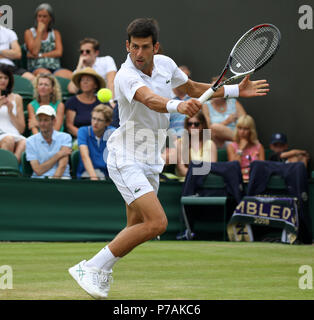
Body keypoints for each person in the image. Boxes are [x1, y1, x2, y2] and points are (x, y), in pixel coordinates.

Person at [68, 17, 269, 299]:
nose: (139, 53)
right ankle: (90, 267)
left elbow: (195, 88)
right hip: (125, 156)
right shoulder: (127, 75)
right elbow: (150, 99)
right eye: (134, 47)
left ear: (155, 47)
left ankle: (101, 269)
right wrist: (177, 106)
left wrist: (236, 90)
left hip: (151, 159)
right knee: (157, 223)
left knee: (136, 227)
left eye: (145, 47)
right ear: (127, 46)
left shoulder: (165, 64)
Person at [24, 3, 72, 79]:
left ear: (50, 18)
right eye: (39, 16)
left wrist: (40, 55)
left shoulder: (55, 33)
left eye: (45, 16)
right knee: (47, 76)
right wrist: (39, 32)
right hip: (37, 67)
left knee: (69, 75)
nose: (42, 19)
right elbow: (34, 51)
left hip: (55, 67)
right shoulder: (29, 33)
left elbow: (59, 52)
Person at [25, 105, 72, 179]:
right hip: (40, 180)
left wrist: (52, 183)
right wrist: (59, 154)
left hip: (61, 179)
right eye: (40, 120)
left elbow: (62, 166)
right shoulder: (30, 141)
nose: (42, 123)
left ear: (54, 121)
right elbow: (38, 170)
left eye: (46, 120)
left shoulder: (65, 137)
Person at [67, 38, 117, 104]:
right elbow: (72, 90)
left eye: (87, 51)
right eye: (81, 51)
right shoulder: (78, 70)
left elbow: (111, 82)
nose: (84, 54)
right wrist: (79, 66)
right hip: (93, 104)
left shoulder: (107, 60)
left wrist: (111, 101)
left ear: (96, 53)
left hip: (112, 100)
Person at [203, 77, 246, 148]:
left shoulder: (233, 102)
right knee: (214, 128)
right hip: (217, 142)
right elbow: (208, 129)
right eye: (213, 88)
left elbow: (246, 122)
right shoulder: (206, 105)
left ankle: (239, 143)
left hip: (233, 139)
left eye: (218, 88)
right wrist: (226, 121)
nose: (214, 91)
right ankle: (241, 142)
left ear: (225, 90)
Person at [65, 67, 106, 139]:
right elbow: (69, 126)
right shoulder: (72, 101)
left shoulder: (102, 102)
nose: (84, 82)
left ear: (95, 85)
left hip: (100, 138)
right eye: (82, 80)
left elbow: (108, 122)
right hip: (79, 138)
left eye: (88, 80)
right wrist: (86, 136)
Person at [77, 104, 115, 180]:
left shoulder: (113, 133)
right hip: (87, 174)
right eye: (93, 118)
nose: (95, 122)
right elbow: (85, 156)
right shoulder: (83, 131)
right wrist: (94, 177)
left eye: (99, 120)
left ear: (107, 123)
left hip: (108, 175)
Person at [176, 110, 217, 178]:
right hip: (186, 183)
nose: (192, 126)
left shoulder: (211, 144)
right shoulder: (180, 143)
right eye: (189, 124)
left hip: (205, 183)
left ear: (203, 125)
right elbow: (182, 170)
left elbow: (213, 168)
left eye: (196, 124)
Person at [227, 114, 265, 182]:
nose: (242, 132)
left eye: (246, 129)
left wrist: (245, 171)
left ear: (251, 130)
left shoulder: (259, 146)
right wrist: (240, 149)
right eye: (240, 128)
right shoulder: (231, 146)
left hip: (255, 180)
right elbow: (233, 168)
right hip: (238, 180)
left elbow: (262, 168)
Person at [0, 63, 26, 163]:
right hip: (3, 134)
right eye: (0, 77)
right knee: (9, 140)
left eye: (6, 78)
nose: (3, 81)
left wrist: (10, 112)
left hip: (13, 133)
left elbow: (21, 129)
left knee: (25, 143)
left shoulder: (17, 98)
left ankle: (12, 167)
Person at [0, 13, 34, 81]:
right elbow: (14, 53)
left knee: (32, 79)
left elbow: (18, 54)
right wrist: (8, 53)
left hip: (9, 67)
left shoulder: (9, 32)